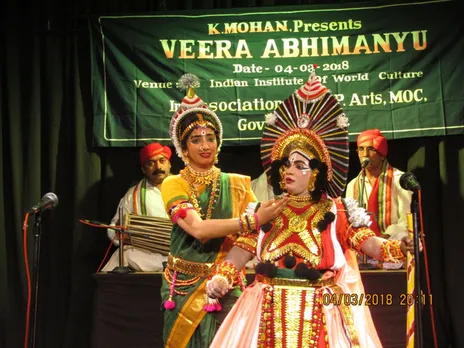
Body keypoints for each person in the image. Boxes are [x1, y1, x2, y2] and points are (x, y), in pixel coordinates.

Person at [207, 68, 418, 348]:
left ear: (316, 173)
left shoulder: (337, 210)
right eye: (285, 165)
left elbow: (371, 245)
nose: (289, 171)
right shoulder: (265, 209)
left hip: (322, 313)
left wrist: (401, 247)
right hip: (265, 310)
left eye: (299, 165)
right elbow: (238, 255)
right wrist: (221, 278)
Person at [160, 73, 287, 348]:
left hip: (227, 281)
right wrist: (252, 219)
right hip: (183, 286)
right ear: (183, 147)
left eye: (210, 137)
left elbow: (255, 233)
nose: (205, 145)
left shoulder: (238, 184)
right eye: (196, 139)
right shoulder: (173, 183)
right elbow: (197, 229)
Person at [101, 142, 172, 272]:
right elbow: (113, 229)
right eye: (151, 163)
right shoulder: (133, 194)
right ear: (143, 169)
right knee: (123, 256)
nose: (158, 166)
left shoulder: (186, 188)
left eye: (162, 161)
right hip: (147, 255)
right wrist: (119, 231)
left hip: (180, 253)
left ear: (169, 164)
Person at [345, 129, 412, 241]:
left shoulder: (399, 179)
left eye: (371, 149)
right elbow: (349, 220)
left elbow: (406, 220)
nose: (365, 154)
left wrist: (382, 240)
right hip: (363, 249)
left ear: (382, 155)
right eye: (361, 149)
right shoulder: (353, 185)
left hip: (393, 244)